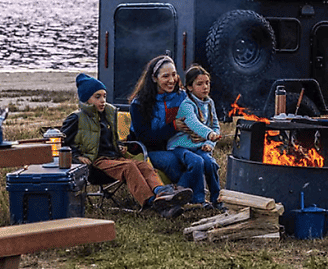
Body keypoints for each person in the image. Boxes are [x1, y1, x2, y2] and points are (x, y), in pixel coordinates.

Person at [60, 73, 192, 217]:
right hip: (95, 163)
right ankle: (153, 202)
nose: (103, 100)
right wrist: (77, 156)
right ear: (86, 99)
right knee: (129, 167)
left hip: (114, 158)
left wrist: (119, 145)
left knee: (143, 165)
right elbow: (61, 142)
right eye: (97, 97)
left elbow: (108, 139)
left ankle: (163, 193)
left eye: (104, 96)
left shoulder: (107, 114)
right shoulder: (76, 118)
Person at [126, 55, 206, 205]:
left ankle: (197, 201)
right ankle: (173, 200)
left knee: (198, 161)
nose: (171, 80)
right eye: (166, 76)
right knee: (174, 163)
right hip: (150, 149)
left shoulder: (182, 97)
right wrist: (173, 127)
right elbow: (144, 137)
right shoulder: (139, 104)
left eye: (174, 74)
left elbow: (198, 118)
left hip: (178, 145)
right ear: (154, 78)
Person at [169, 64, 222, 207]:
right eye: (200, 84)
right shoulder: (187, 105)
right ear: (190, 87)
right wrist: (209, 134)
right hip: (181, 146)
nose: (205, 87)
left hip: (199, 146)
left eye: (207, 83)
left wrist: (210, 143)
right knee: (197, 162)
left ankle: (217, 199)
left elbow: (215, 126)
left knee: (210, 163)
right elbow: (194, 123)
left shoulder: (209, 103)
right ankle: (199, 199)